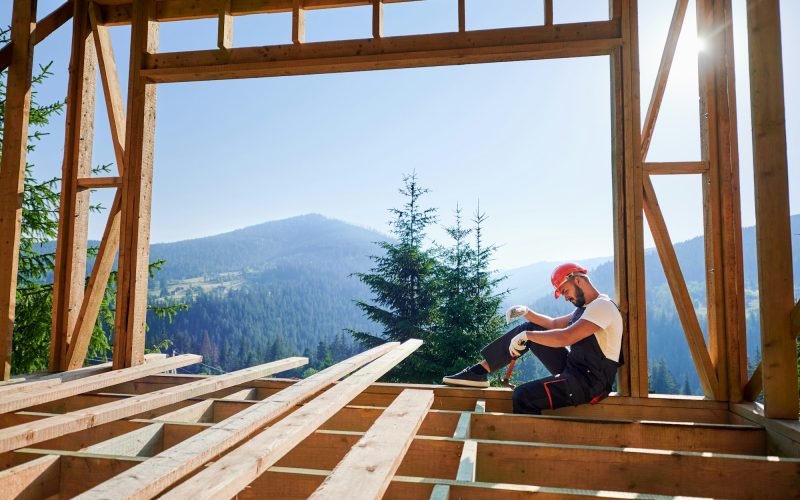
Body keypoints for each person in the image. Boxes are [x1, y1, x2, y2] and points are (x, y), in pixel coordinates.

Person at [442, 263, 623, 415]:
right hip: (575, 368)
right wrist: (526, 312)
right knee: (531, 328)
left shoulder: (602, 306)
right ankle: (478, 372)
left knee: (523, 396)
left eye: (565, 290)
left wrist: (527, 336)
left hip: (589, 383)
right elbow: (553, 324)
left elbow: (565, 337)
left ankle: (530, 453)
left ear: (578, 280)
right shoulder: (587, 307)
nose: (566, 297)